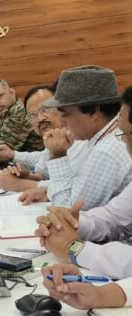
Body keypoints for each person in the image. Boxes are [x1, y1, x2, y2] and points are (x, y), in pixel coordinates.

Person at [35, 86, 132, 282]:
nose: (123, 142)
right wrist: (69, 222)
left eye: (126, 134)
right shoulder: (90, 140)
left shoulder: (108, 150)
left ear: (94, 111)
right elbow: (115, 217)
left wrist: (74, 248)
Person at [22, 66, 131, 210]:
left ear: (94, 111)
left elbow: (68, 212)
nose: (62, 121)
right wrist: (48, 191)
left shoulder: (106, 151)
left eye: (66, 114)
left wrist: (58, 156)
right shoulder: (105, 138)